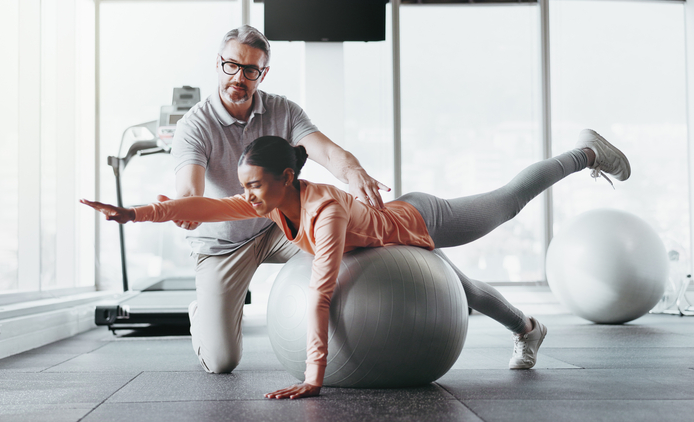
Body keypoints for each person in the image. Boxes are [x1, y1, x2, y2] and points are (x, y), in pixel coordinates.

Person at [82, 128, 632, 399]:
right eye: (245, 187)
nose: (246, 198)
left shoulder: (323, 212)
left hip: (417, 221)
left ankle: (585, 152)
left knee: (508, 202)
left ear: (285, 179)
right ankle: (530, 329)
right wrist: (135, 212)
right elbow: (210, 204)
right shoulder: (271, 200)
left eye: (254, 186)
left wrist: (313, 379)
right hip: (391, 258)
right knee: (459, 293)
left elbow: (322, 295)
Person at [170, 25, 388, 375]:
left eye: (250, 70)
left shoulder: (283, 111)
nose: (239, 77)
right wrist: (186, 210)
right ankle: (204, 312)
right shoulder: (194, 125)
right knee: (222, 361)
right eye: (231, 66)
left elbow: (328, 152)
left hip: (276, 226)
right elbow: (189, 190)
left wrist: (354, 173)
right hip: (222, 244)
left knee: (353, 245)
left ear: (263, 73)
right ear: (219, 63)